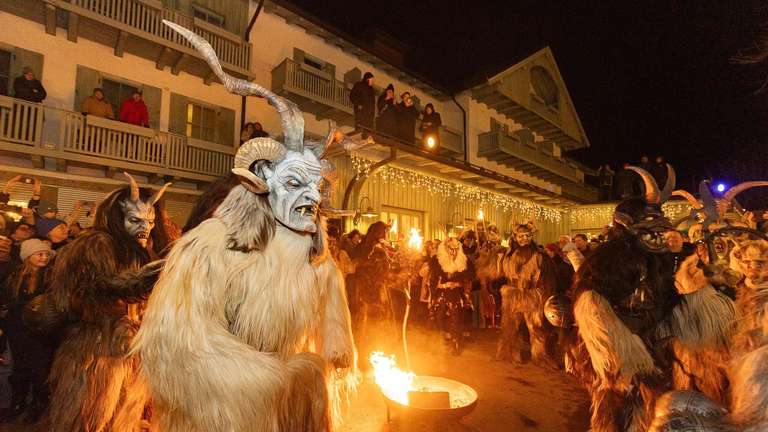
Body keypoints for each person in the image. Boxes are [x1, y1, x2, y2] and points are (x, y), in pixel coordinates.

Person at [133, 25, 357, 430]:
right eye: (294, 183)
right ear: (262, 183)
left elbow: (330, 301)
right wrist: (263, 380)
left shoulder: (313, 255)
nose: (312, 197)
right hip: (225, 410)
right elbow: (180, 340)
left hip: (284, 398)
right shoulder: (212, 246)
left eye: (316, 186)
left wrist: (333, 347)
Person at [43, 175, 171, 431]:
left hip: (136, 351)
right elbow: (102, 286)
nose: (144, 227)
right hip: (96, 353)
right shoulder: (96, 245)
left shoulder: (150, 250)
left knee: (132, 415)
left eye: (150, 220)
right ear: (117, 218)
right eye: (135, 220)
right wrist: (147, 277)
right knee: (94, 417)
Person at [2, 239, 55, 423]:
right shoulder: (14, 275)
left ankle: (38, 406)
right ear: (28, 256)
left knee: (40, 370)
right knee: (20, 367)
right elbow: (8, 298)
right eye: (39, 253)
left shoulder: (51, 276)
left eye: (47, 254)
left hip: (41, 330)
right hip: (18, 329)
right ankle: (18, 402)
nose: (44, 257)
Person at [496, 223, 557, 365]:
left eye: (528, 236)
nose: (524, 238)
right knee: (511, 327)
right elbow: (498, 274)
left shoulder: (540, 256)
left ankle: (540, 356)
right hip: (512, 296)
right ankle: (511, 354)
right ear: (515, 237)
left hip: (532, 295)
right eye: (521, 236)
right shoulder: (507, 256)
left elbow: (548, 278)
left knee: (536, 327)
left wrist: (545, 295)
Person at [428, 236, 474, 355]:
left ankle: (455, 342)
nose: (453, 252)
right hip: (441, 293)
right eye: (450, 249)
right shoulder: (436, 261)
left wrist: (464, 291)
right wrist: (436, 289)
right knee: (439, 316)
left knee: (456, 318)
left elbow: (468, 278)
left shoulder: (464, 262)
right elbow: (432, 279)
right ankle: (440, 341)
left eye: (456, 249)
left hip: (456, 293)